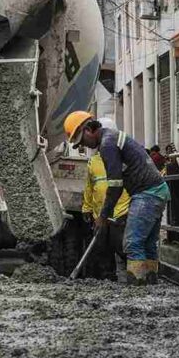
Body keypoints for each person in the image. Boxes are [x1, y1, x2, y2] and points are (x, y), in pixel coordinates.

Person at [64, 111, 170, 285]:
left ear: (89, 129)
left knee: (132, 243)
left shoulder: (107, 145)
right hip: (157, 190)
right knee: (148, 244)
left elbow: (115, 185)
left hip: (146, 193)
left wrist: (103, 217)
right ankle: (152, 287)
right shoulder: (111, 138)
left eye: (82, 140)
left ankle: (138, 288)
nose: (85, 145)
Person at [81, 118, 130, 281]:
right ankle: (108, 281)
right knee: (103, 251)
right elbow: (90, 186)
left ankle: (135, 279)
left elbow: (121, 184)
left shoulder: (120, 156)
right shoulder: (93, 162)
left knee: (122, 247)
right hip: (100, 214)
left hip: (119, 212)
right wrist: (87, 208)